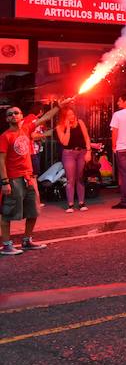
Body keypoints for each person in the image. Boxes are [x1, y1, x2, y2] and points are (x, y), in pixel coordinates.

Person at [1, 98, 70, 255]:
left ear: (21, 116)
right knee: (8, 212)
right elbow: (1, 161)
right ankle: (6, 245)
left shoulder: (26, 129)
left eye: (15, 113)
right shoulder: (5, 137)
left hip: (28, 177)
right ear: (7, 119)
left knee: (33, 210)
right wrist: (5, 182)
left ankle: (27, 241)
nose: (13, 115)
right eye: (9, 114)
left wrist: (59, 106)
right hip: (14, 178)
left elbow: (45, 118)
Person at [56, 106, 91, 212]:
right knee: (70, 179)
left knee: (80, 177)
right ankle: (70, 204)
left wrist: (89, 151)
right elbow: (65, 142)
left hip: (81, 152)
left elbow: (86, 138)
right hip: (68, 153)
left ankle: (81, 202)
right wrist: (68, 128)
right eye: (68, 115)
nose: (71, 117)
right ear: (64, 117)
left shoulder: (80, 122)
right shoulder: (59, 127)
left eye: (72, 114)